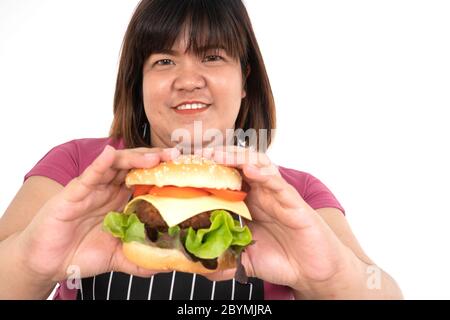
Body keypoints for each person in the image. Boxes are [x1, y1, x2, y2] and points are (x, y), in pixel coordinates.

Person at [0, 0, 402, 300]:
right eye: (163, 61)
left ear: (245, 80)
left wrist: (327, 277)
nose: (188, 80)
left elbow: (382, 289)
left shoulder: (295, 194)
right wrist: (34, 263)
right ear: (137, 83)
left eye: (212, 56)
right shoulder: (81, 168)